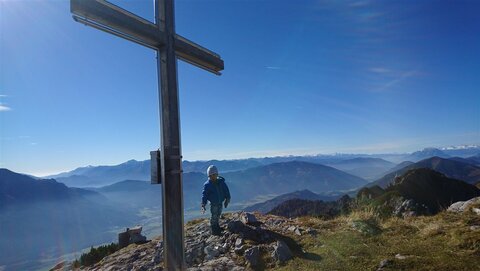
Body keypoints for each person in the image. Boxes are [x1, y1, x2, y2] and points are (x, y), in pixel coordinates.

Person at [201, 165, 231, 235]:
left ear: (217, 174)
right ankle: (214, 229)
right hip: (213, 204)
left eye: (214, 175)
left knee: (218, 214)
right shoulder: (207, 185)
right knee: (214, 215)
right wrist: (203, 204)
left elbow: (226, 190)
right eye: (211, 175)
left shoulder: (221, 182)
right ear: (209, 176)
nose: (213, 177)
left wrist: (227, 198)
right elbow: (204, 195)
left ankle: (217, 226)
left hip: (220, 202)